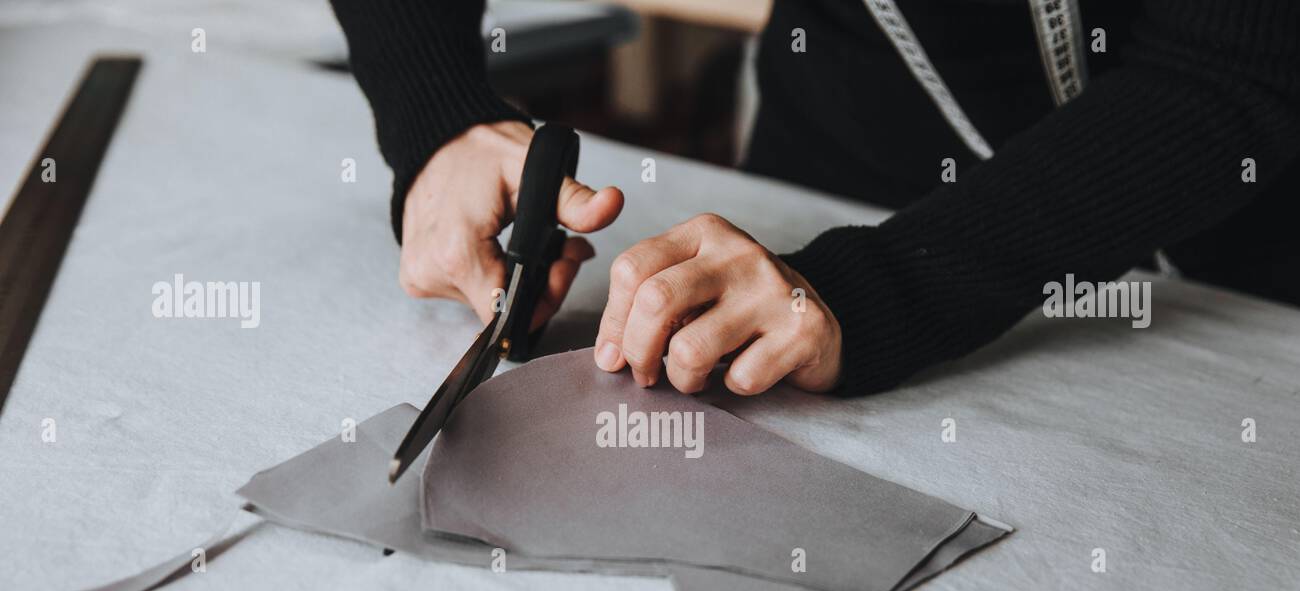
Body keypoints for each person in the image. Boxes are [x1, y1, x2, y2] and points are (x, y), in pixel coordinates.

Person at [329, 0, 1300, 397]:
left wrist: (884, 289)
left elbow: (1232, 68)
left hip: (1236, 261)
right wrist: (435, 117)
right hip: (836, 160)